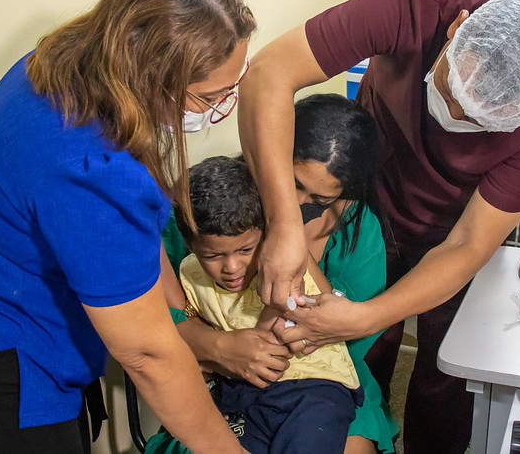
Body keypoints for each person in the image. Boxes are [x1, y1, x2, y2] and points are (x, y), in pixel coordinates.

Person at [0, 0, 255, 454]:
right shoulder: (95, 170)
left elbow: (129, 248)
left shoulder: (51, 65)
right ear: (152, 79)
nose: (223, 106)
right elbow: (149, 356)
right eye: (210, 96)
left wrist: (181, 318)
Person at [237, 0, 520, 454]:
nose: (454, 118)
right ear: (456, 29)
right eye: (450, 90)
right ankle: (364, 429)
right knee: (358, 347)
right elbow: (269, 72)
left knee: (449, 365)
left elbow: (468, 243)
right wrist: (285, 223)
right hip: (374, 188)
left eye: (479, 121)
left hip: (459, 224)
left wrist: (367, 314)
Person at [158, 94, 398, 454]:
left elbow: (350, 339)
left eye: (320, 199)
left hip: (320, 379)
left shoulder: (357, 230)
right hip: (217, 374)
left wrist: (292, 246)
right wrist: (219, 348)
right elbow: (151, 318)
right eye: (294, 183)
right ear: (271, 156)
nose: (299, 203)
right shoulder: (211, 213)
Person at [149, 155, 364, 454]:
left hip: (313, 388)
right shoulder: (189, 273)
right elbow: (190, 324)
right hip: (243, 390)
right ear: (191, 246)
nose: (232, 267)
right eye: (212, 256)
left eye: (246, 250)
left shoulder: (283, 264)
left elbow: (273, 337)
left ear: (265, 235)